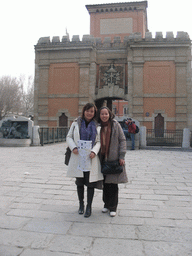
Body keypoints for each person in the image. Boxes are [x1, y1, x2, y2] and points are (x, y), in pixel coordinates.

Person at [66, 103, 103, 218]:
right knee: (80, 182)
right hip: (78, 156)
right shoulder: (76, 123)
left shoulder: (97, 126)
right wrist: (74, 147)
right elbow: (69, 137)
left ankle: (89, 206)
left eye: (92, 111)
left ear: (94, 113)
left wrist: (94, 151)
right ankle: (81, 204)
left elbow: (99, 141)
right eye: (87, 111)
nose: (89, 113)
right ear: (84, 111)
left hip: (90, 157)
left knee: (90, 183)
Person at [97, 106, 128, 217]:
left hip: (114, 159)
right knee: (105, 183)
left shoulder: (115, 124)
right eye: (102, 114)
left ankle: (113, 207)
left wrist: (122, 156)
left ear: (109, 114)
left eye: (106, 114)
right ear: (99, 115)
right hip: (102, 159)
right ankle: (106, 204)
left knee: (113, 184)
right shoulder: (97, 126)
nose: (104, 116)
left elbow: (122, 140)